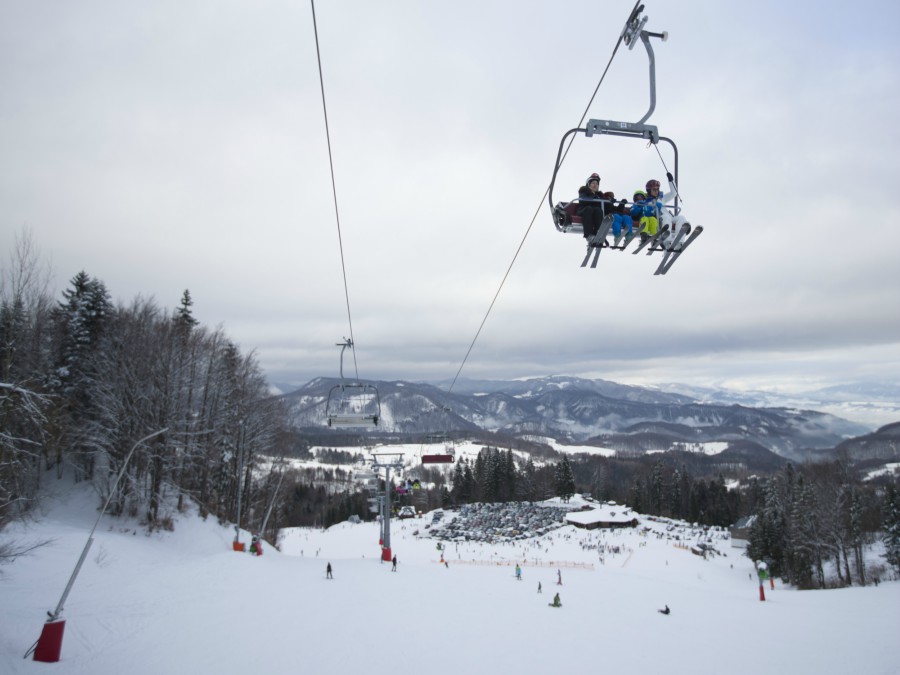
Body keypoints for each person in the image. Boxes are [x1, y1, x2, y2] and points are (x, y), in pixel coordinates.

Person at [577, 173, 611, 243]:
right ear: (589, 184)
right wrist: (594, 197)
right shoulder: (584, 191)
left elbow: (607, 208)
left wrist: (610, 201)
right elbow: (583, 200)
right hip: (584, 210)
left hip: (595, 212)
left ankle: (599, 232)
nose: (595, 185)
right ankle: (589, 235)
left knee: (598, 210)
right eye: (593, 183)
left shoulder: (599, 195)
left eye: (597, 183)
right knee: (590, 208)